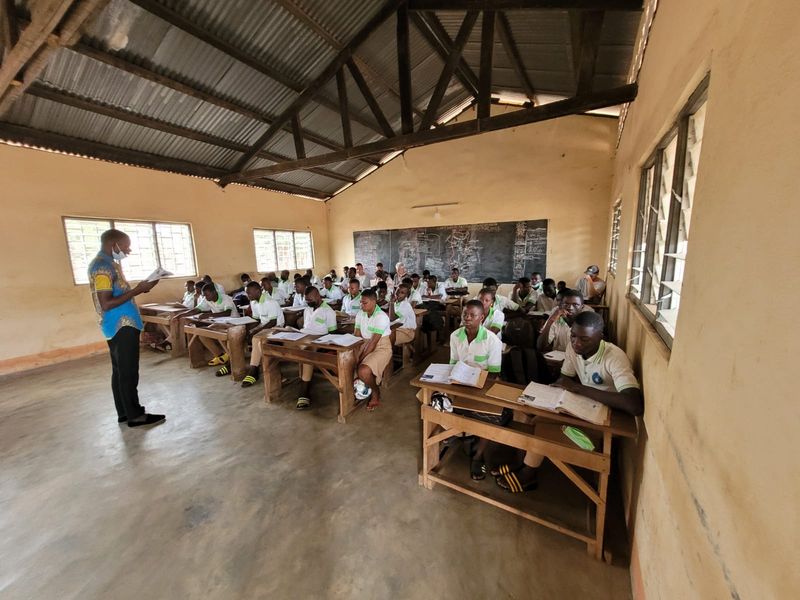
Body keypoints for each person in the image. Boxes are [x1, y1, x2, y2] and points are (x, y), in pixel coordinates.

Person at [495, 312, 642, 493]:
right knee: (532, 418)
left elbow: (634, 404)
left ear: (600, 337)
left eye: (584, 339)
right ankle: (524, 464)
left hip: (606, 417)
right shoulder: (574, 349)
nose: (576, 343)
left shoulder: (614, 358)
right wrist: (552, 391)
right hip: (584, 406)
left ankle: (528, 474)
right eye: (573, 336)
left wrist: (578, 389)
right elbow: (565, 378)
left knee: (542, 429)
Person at [88, 228, 163, 427]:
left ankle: (124, 412)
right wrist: (138, 290)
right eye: (126, 247)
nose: (128, 251)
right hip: (121, 325)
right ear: (114, 244)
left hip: (119, 325)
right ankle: (135, 415)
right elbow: (106, 303)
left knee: (120, 370)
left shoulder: (108, 264)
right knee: (128, 371)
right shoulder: (103, 268)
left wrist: (143, 287)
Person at [449, 300, 503, 479]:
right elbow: (452, 364)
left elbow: (494, 375)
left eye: (472, 315)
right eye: (465, 314)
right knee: (434, 401)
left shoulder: (492, 340)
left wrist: (477, 385)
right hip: (459, 383)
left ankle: (478, 456)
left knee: (490, 417)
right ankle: (456, 433)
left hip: (482, 386)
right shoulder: (455, 336)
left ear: (482, 317)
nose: (467, 318)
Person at [294, 286, 338, 409]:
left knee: (308, 353)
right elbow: (305, 327)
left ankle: (304, 390)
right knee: (278, 343)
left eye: (310, 300)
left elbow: (332, 334)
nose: (308, 302)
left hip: (318, 341)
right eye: (306, 300)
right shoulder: (307, 310)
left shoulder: (328, 311)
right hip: (303, 337)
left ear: (318, 296)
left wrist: (318, 340)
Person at [354, 289, 393, 412]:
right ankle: (353, 392)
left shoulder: (381, 317)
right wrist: (353, 352)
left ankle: (376, 393)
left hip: (381, 347)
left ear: (374, 302)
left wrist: (359, 360)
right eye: (361, 302)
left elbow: (373, 342)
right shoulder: (360, 314)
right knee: (346, 363)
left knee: (363, 370)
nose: (361, 305)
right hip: (364, 344)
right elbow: (356, 335)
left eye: (364, 303)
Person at [239, 282, 285, 385]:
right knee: (243, 334)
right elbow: (256, 320)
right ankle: (251, 367)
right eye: (247, 293)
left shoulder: (270, 302)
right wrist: (248, 331)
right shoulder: (254, 302)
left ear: (258, 291)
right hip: (264, 326)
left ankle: (254, 369)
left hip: (277, 327)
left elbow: (273, 322)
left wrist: (255, 331)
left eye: (249, 293)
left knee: (257, 339)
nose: (247, 296)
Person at [194, 282, 239, 368]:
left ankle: (230, 355)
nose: (205, 297)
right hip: (219, 323)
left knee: (219, 334)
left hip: (233, 323)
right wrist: (182, 315)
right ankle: (220, 355)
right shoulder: (207, 299)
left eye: (207, 295)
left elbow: (227, 313)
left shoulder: (226, 298)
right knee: (202, 334)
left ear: (214, 292)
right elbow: (197, 309)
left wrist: (209, 315)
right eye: (204, 295)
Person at [536, 289, 589, 354]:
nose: (570, 308)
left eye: (575, 304)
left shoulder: (587, 323)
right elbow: (540, 346)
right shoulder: (556, 319)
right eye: (566, 304)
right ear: (561, 305)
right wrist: (550, 321)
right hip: (557, 361)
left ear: (582, 307)